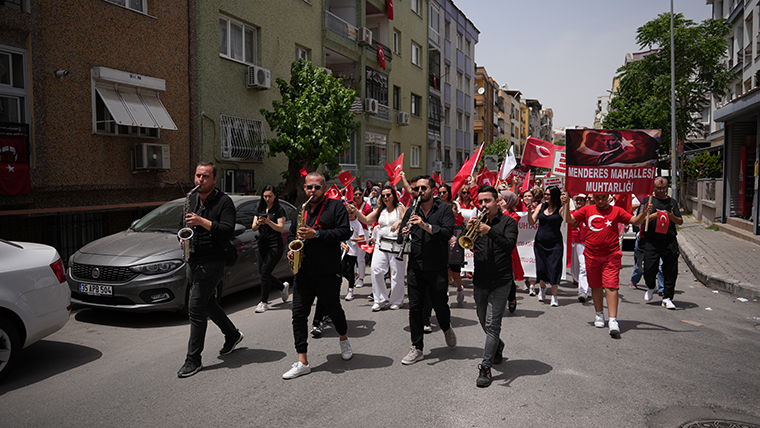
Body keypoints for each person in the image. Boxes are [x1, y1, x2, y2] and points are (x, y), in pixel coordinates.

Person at [283, 172, 353, 380]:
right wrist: (291, 249)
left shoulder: (336, 207)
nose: (312, 191)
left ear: (325, 188)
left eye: (317, 187)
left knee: (334, 311)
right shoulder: (300, 211)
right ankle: (302, 360)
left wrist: (317, 234)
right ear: (304, 188)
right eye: (309, 188)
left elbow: (344, 232)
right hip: (304, 272)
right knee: (298, 316)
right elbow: (293, 235)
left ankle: (343, 338)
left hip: (328, 272)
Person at [177, 161, 243, 378]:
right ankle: (232, 334)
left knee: (195, 308)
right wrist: (182, 236)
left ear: (214, 179)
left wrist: (201, 221)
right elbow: (184, 225)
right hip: (193, 257)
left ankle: (193, 359)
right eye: (197, 176)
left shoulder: (224, 202)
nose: (200, 180)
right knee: (208, 303)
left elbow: (226, 230)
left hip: (214, 260)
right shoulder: (192, 198)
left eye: (205, 176)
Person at [563, 192, 650, 335]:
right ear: (592, 198)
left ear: (609, 198)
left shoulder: (616, 210)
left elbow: (635, 221)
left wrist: (644, 212)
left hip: (611, 255)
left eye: (603, 197)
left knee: (611, 286)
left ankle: (613, 319)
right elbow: (569, 219)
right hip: (591, 255)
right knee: (596, 286)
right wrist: (566, 204)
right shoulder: (586, 210)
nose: (600, 201)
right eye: (597, 198)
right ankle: (599, 314)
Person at [398, 175, 456, 365]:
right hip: (415, 266)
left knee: (440, 305)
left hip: (437, 267)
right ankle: (417, 348)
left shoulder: (445, 209)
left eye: (424, 188)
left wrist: (425, 226)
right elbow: (400, 238)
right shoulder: (411, 210)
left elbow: (447, 232)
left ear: (433, 190)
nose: (419, 191)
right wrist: (403, 233)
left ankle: (446, 327)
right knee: (415, 308)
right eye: (417, 189)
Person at [469, 185, 518, 387]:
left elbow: (509, 246)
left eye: (487, 201)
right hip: (480, 280)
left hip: (501, 280)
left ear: (497, 201)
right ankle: (497, 344)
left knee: (492, 324)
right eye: (480, 202)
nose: (483, 205)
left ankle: (485, 367)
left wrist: (489, 231)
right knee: (482, 319)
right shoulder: (477, 222)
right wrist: (470, 232)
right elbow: (469, 245)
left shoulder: (509, 223)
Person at [349, 185, 407, 311]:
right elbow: (366, 219)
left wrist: (400, 222)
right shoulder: (380, 210)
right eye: (384, 195)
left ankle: (396, 300)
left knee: (397, 273)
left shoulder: (400, 207)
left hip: (397, 244)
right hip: (381, 243)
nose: (386, 197)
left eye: (388, 195)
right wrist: (356, 211)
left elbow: (408, 219)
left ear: (394, 196)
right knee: (376, 270)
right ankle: (379, 299)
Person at [640, 177, 683, 309]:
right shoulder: (648, 202)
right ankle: (651, 286)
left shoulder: (672, 202)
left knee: (670, 270)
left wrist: (671, 217)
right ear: (654, 188)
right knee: (649, 268)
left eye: (664, 188)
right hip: (651, 241)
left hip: (669, 240)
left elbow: (680, 221)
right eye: (658, 188)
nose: (661, 190)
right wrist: (653, 214)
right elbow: (640, 220)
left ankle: (667, 297)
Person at [251, 185, 290, 313]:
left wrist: (269, 222)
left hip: (275, 245)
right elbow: (253, 227)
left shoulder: (279, 210)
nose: (267, 199)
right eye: (265, 196)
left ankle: (263, 301)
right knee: (263, 272)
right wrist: (259, 223)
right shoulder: (260, 208)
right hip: (262, 243)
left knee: (265, 272)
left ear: (275, 196)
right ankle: (281, 286)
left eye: (270, 196)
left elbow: (280, 227)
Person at [527, 186, 565, 306]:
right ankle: (542, 288)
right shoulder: (541, 206)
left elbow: (568, 220)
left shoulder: (560, 209)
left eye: (548, 195)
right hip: (540, 243)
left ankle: (554, 296)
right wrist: (529, 211)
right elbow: (532, 221)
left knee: (554, 268)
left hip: (555, 244)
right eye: (545, 194)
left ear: (554, 196)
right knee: (541, 268)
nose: (546, 196)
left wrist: (567, 204)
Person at [438, 182, 465, 304]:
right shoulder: (436, 206)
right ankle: (446, 290)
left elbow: (461, 225)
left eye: (444, 192)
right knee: (445, 269)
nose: (442, 194)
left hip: (455, 243)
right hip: (442, 242)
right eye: (440, 193)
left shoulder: (454, 208)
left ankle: (459, 289)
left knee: (455, 272)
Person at [498, 190, 524, 313]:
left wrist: (504, 211)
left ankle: (512, 298)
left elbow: (508, 225)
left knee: (509, 279)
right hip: (495, 251)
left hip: (509, 251)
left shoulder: (514, 216)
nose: (499, 202)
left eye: (502, 200)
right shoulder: (494, 214)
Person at [342, 203, 368, 302]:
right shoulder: (344, 222)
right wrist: (342, 242)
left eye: (352, 213)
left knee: (350, 269)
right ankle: (351, 280)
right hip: (345, 250)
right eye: (348, 213)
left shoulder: (358, 224)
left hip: (353, 250)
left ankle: (350, 291)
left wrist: (353, 239)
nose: (350, 215)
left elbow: (362, 237)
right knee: (342, 269)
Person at [569, 193, 589, 302]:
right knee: (581, 265)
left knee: (587, 267)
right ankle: (582, 289)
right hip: (579, 241)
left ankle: (589, 288)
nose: (579, 202)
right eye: (578, 200)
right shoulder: (575, 213)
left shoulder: (591, 212)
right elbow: (573, 224)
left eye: (582, 200)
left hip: (591, 243)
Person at [352, 187, 373, 288]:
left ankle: (361, 278)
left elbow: (370, 221)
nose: (358, 196)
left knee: (360, 258)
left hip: (363, 234)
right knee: (352, 256)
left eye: (360, 194)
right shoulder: (350, 205)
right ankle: (355, 274)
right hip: (352, 233)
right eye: (356, 194)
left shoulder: (367, 206)